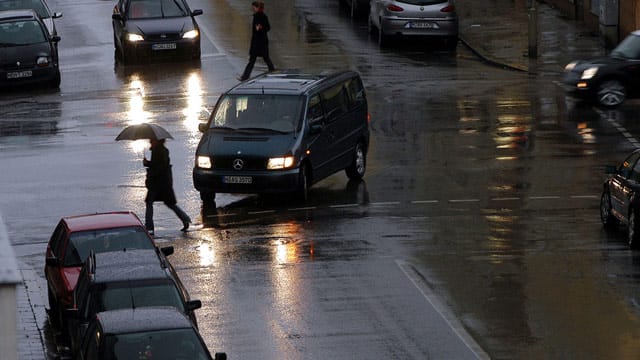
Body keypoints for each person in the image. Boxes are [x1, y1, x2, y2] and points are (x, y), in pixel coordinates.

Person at [143, 138, 191, 234]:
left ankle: (149, 227)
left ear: (157, 140)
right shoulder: (160, 150)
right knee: (169, 203)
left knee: (150, 202)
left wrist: (148, 163)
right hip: (162, 183)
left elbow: (160, 166)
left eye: (152, 140)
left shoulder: (159, 151)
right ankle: (185, 219)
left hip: (159, 182)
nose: (150, 141)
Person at [239, 1, 275, 81]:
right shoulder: (256, 16)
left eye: (253, 7)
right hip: (257, 42)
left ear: (257, 7)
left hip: (260, 42)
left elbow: (268, 28)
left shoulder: (262, 16)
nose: (252, 9)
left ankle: (272, 71)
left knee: (265, 58)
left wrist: (260, 28)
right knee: (253, 60)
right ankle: (245, 76)